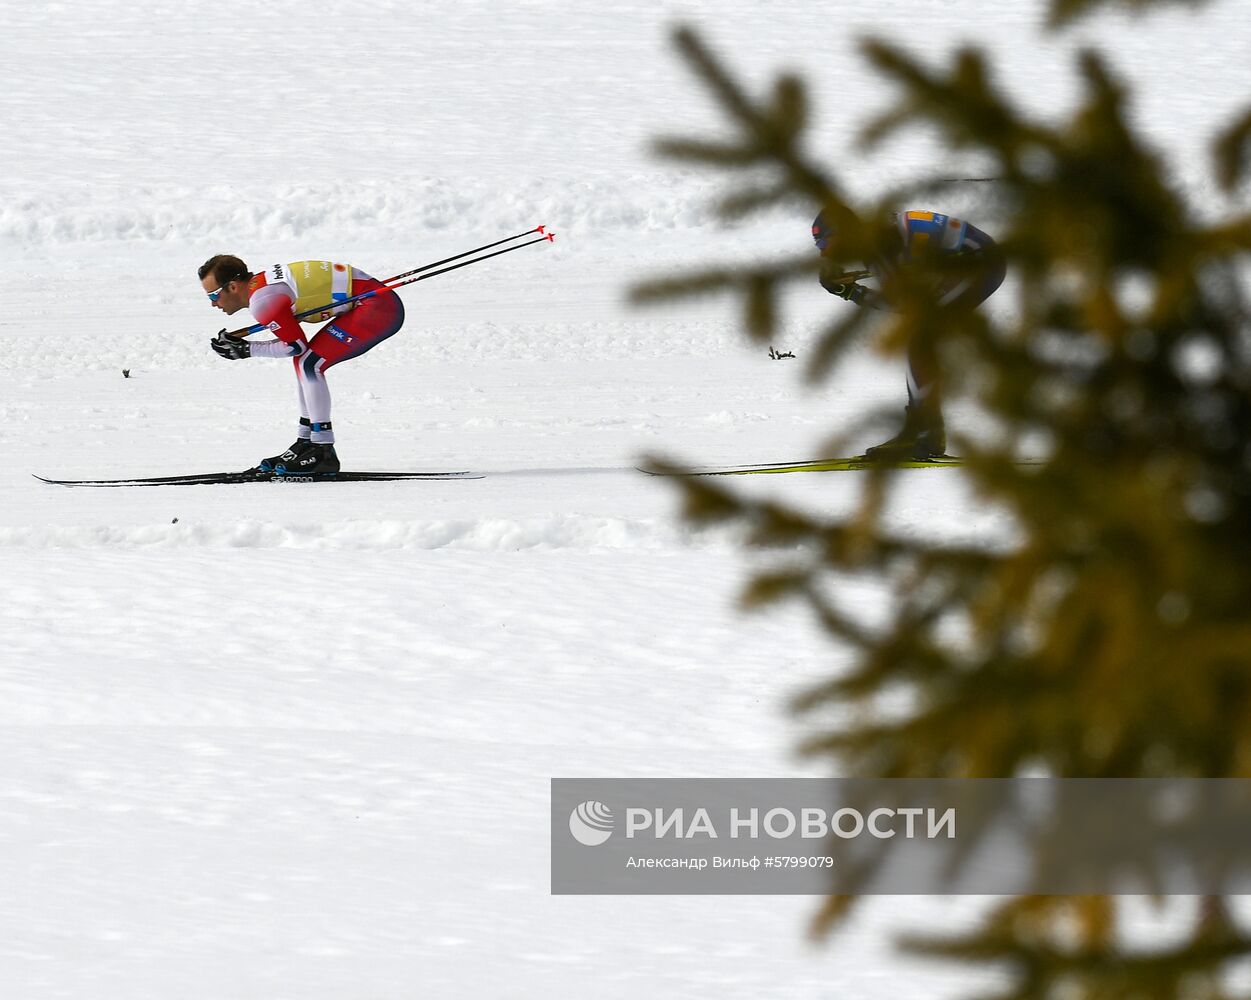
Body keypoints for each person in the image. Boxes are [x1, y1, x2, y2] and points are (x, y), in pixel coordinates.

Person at [812, 209, 1006, 459]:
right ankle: (922, 431)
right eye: (818, 245)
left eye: (824, 242)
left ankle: (924, 434)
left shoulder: (879, 247)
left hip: (981, 264)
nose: (823, 252)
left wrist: (852, 293)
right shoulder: (878, 236)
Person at [199, 255, 405, 475]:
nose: (213, 303)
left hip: (378, 307)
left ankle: (322, 449)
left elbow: (294, 346)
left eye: (214, 295)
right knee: (306, 362)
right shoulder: (260, 286)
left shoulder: (263, 302)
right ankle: (307, 442)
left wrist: (247, 350)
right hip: (373, 300)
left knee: (310, 363)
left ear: (232, 286)